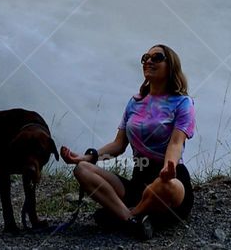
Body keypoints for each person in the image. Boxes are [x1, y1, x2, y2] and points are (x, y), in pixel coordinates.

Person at [60, 44, 196, 240]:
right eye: (145, 58)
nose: (148, 61)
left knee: (164, 186)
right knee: (82, 169)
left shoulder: (183, 103)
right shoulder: (135, 103)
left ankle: (125, 215)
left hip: (169, 181)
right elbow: (118, 145)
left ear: (171, 66)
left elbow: (175, 143)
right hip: (137, 182)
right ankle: (131, 218)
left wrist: (169, 168)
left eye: (156, 57)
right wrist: (85, 157)